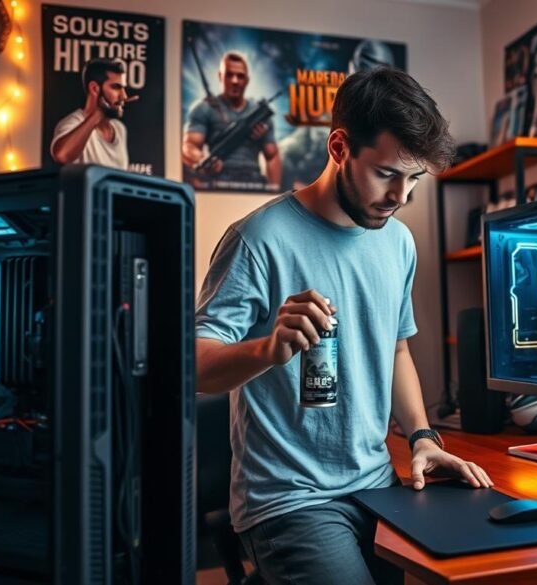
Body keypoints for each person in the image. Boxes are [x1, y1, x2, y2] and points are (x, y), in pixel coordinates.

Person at [195, 67, 493, 585]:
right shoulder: (258, 238)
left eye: (414, 179)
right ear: (339, 147)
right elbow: (194, 367)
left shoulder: (398, 242)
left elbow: (395, 350)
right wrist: (268, 350)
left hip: (376, 484)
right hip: (288, 498)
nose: (401, 195)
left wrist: (423, 437)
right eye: (386, 174)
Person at [182, 51, 282, 190]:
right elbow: (189, 146)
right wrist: (203, 160)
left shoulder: (260, 114)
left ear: (247, 80)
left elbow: (272, 156)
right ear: (220, 76)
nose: (235, 81)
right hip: (218, 182)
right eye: (229, 75)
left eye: (240, 76)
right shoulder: (204, 108)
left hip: (253, 183)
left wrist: (273, 193)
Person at [50, 59, 136, 168]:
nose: (124, 96)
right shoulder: (73, 123)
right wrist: (98, 114)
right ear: (94, 89)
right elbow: (62, 155)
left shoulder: (119, 129)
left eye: (123, 88)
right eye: (116, 87)